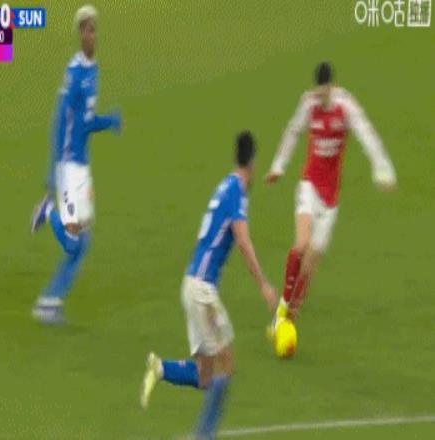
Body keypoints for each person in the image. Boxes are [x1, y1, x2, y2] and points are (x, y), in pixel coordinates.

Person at [141, 131, 278, 439]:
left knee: (206, 377)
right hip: (202, 290)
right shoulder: (237, 193)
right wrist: (264, 285)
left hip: (192, 284)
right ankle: (203, 435)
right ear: (253, 163)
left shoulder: (224, 186)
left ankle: (160, 368)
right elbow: (243, 241)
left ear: (235, 158)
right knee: (226, 364)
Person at [264, 62, 396, 324]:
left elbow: (367, 134)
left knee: (311, 262)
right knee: (301, 244)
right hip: (309, 185)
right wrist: (278, 166)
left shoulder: (345, 106)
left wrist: (383, 170)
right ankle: (284, 304)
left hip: (331, 197)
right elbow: (292, 132)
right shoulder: (308, 103)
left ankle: (291, 313)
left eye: (325, 91)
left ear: (332, 87)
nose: (321, 96)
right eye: (318, 91)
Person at [30, 5, 121, 323]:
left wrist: (108, 122)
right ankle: (47, 211)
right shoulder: (75, 73)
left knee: (82, 244)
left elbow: (86, 121)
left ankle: (49, 302)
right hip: (68, 165)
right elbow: (60, 120)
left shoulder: (93, 70)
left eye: (92, 29)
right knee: (72, 244)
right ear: (78, 34)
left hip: (82, 166)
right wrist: (52, 171)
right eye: (84, 29)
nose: (89, 34)